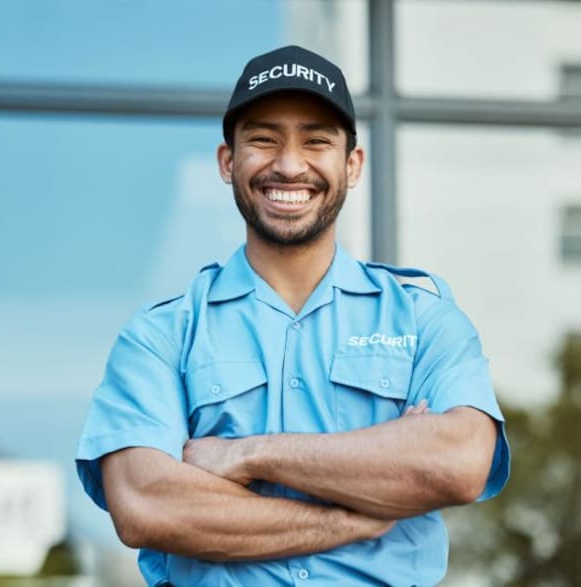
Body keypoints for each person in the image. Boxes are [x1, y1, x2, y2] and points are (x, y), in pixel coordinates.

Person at [76, 45, 510, 586]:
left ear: (352, 165)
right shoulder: (161, 335)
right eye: (263, 139)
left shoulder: (423, 320)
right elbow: (147, 504)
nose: (288, 164)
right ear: (227, 162)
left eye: (316, 141)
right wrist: (355, 518)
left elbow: (458, 463)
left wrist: (247, 456)